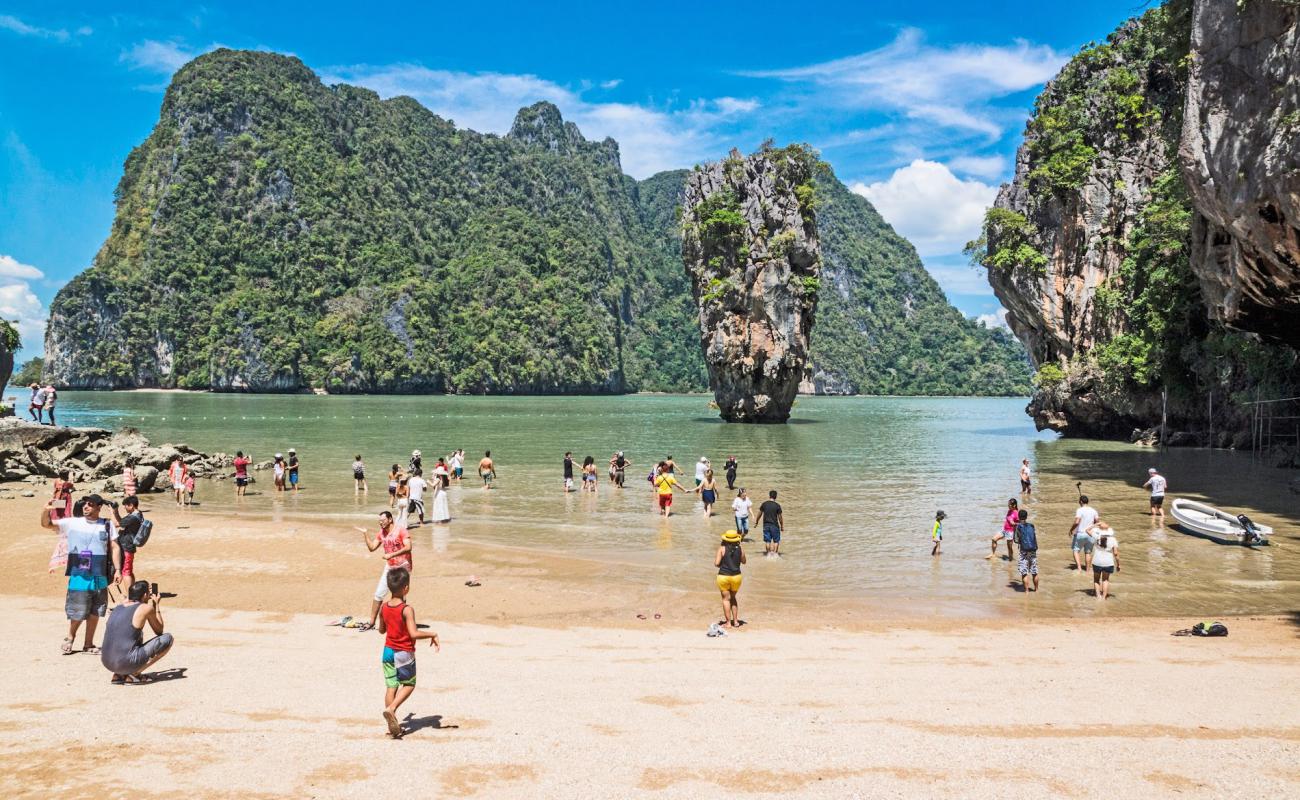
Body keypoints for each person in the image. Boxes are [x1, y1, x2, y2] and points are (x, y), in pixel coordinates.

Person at [42, 493, 119, 655]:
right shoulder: (72, 522)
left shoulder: (107, 524)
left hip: (100, 574)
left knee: (96, 610)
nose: (86, 506)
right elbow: (47, 524)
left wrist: (118, 569)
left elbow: (115, 547)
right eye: (85, 504)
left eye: (90, 504)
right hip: (79, 573)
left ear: (99, 507)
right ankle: (70, 638)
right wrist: (46, 510)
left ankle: (88, 644)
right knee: (77, 609)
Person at [377, 567, 439, 738]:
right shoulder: (406, 609)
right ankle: (391, 709)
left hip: (387, 651)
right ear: (406, 588)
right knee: (409, 684)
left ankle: (392, 726)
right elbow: (413, 634)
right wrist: (432, 634)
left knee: (391, 686)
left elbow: (381, 630)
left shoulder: (383, 607)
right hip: (403, 652)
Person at [101, 580, 174, 684]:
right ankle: (134, 674)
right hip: (124, 662)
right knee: (167, 639)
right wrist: (156, 604)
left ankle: (118, 674)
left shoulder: (118, 607)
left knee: (135, 634)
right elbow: (159, 631)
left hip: (107, 662)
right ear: (145, 595)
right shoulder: (146, 608)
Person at [360, 511, 412, 630]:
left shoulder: (401, 530)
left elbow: (409, 547)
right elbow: (372, 548)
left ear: (390, 519)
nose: (381, 523)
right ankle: (372, 622)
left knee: (399, 595)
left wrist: (392, 554)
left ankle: (401, 622)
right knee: (378, 594)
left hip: (403, 566)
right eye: (379, 521)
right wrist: (365, 534)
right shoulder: (381, 534)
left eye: (383, 520)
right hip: (390, 567)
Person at [111, 496, 148, 594]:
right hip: (129, 546)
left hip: (126, 546)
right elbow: (122, 522)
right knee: (129, 571)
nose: (125, 508)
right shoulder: (138, 514)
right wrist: (116, 511)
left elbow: (116, 524)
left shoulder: (132, 517)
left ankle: (129, 595)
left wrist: (112, 511)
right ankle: (133, 592)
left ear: (131, 505)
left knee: (125, 572)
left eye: (126, 506)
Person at [715, 530, 746, 628]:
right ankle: (736, 621)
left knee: (725, 599)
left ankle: (728, 623)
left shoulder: (722, 548)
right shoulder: (740, 548)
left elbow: (716, 563)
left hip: (724, 577)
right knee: (733, 598)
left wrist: (723, 564)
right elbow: (744, 561)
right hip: (736, 577)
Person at [1088, 521, 1120, 599]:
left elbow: (1087, 530)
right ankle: (1104, 597)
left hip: (1097, 561)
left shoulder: (1097, 536)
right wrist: (1118, 564)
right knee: (1105, 580)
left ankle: (1098, 596)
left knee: (1096, 580)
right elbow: (1116, 554)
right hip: (1108, 562)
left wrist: (1096, 524)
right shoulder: (1113, 539)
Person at [1068, 495, 1099, 573]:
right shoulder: (1094, 510)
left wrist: (1071, 530)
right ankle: (1088, 570)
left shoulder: (1080, 510)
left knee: (1076, 551)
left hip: (1080, 534)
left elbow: (1077, 522)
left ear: (1081, 502)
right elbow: (1097, 522)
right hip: (1090, 534)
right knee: (1088, 552)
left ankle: (1079, 569)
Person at [1014, 509, 1039, 592]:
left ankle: (1027, 591)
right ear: (1026, 516)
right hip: (1033, 550)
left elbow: (1016, 540)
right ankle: (1036, 590)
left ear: (1019, 517)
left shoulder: (1018, 526)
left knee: (1024, 572)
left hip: (1024, 551)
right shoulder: (1031, 525)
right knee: (1034, 571)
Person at [758, 491, 784, 557]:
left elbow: (759, 513)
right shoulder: (777, 505)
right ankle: (775, 554)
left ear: (769, 496)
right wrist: (782, 526)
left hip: (766, 525)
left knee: (767, 541)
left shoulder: (764, 504)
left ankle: (768, 554)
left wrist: (756, 521)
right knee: (776, 541)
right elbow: (780, 517)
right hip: (775, 525)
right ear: (776, 497)